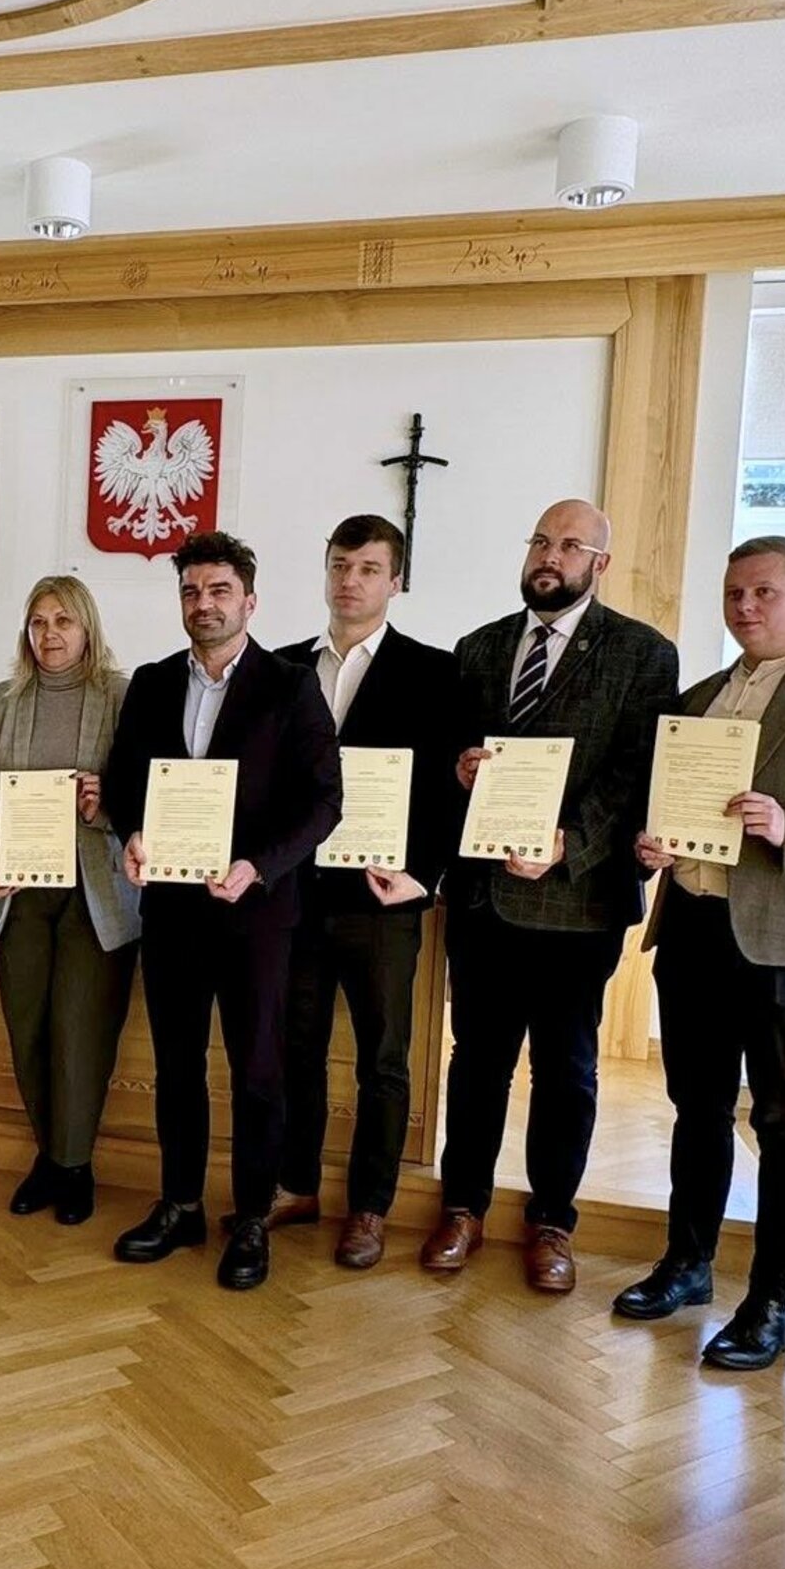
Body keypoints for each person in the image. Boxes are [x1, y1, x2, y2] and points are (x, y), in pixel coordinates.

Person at [614, 537, 785, 1369]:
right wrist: (651, 843)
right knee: (696, 1106)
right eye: (734, 593)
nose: (745, 606)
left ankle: (771, 1302)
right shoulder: (699, 698)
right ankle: (688, 1264)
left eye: (764, 591)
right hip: (693, 925)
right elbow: (664, 805)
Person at [421, 499, 679, 1293]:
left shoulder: (642, 653)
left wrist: (570, 842)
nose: (549, 555)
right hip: (484, 898)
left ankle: (552, 1221)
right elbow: (449, 754)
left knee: (566, 1069)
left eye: (569, 545)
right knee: (477, 1062)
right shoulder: (479, 647)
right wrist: (461, 768)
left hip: (578, 899)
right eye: (540, 540)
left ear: (600, 563)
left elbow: (635, 771)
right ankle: (461, 1207)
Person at [104, 531, 342, 1291]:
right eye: (190, 591)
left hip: (256, 915)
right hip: (171, 912)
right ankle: (180, 1204)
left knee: (258, 1072)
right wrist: (131, 832)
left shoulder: (290, 685)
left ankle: (250, 1220)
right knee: (176, 1067)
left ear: (249, 600)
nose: (203, 604)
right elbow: (121, 782)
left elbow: (324, 800)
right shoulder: (150, 683)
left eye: (218, 591)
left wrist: (259, 866)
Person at [272, 515, 460, 1267]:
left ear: (396, 581)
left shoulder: (435, 672)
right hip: (296, 894)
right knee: (297, 1049)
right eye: (340, 565)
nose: (350, 580)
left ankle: (371, 1208)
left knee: (383, 1059)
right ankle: (295, 1184)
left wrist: (426, 872)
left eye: (369, 568)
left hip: (382, 898)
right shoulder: (284, 668)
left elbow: (450, 788)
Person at [0, 577, 141, 1225]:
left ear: (87, 628)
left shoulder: (121, 695)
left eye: (63, 620)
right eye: (38, 621)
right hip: (21, 892)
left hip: (95, 891)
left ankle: (74, 1165)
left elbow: (146, 791)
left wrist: (106, 803)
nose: (50, 634)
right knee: (30, 1031)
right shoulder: (4, 699)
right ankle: (50, 1155)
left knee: (79, 1033)